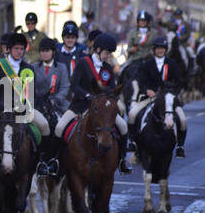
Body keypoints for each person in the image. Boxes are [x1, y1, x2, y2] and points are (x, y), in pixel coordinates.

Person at [0, 33, 55, 177]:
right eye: (16, 48)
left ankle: (42, 161)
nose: (19, 51)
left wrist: (24, 106)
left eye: (22, 49)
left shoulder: (28, 67)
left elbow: (31, 93)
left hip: (22, 109)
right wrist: (3, 106)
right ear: (9, 50)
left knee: (44, 125)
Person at [54, 33, 133, 175]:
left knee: (123, 126)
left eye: (110, 53)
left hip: (102, 109)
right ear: (97, 49)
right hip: (81, 105)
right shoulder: (83, 63)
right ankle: (55, 160)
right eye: (106, 53)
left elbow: (112, 88)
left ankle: (122, 160)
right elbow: (75, 86)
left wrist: (105, 97)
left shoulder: (108, 68)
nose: (108, 56)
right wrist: (88, 95)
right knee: (59, 128)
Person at [127, 36, 186, 158]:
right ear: (154, 50)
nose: (160, 51)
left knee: (183, 119)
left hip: (168, 98)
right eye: (158, 48)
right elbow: (141, 81)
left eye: (162, 48)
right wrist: (147, 90)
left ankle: (180, 146)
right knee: (133, 114)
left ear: (165, 49)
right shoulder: (147, 64)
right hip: (151, 97)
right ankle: (133, 142)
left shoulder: (171, 64)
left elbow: (179, 81)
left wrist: (173, 93)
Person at [32, 37, 70, 176]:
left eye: (47, 51)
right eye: (42, 51)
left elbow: (65, 87)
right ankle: (41, 158)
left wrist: (56, 100)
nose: (44, 54)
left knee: (63, 126)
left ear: (53, 52)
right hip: (38, 104)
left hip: (57, 104)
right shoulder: (33, 67)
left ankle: (57, 158)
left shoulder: (61, 67)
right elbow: (30, 88)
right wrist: (39, 100)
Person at [159, 8, 195, 72]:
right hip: (172, 43)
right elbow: (163, 24)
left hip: (182, 43)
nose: (177, 16)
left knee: (190, 52)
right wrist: (159, 18)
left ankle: (191, 68)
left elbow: (188, 33)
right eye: (176, 15)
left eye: (179, 15)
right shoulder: (171, 22)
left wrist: (182, 37)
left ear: (181, 15)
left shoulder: (186, 24)